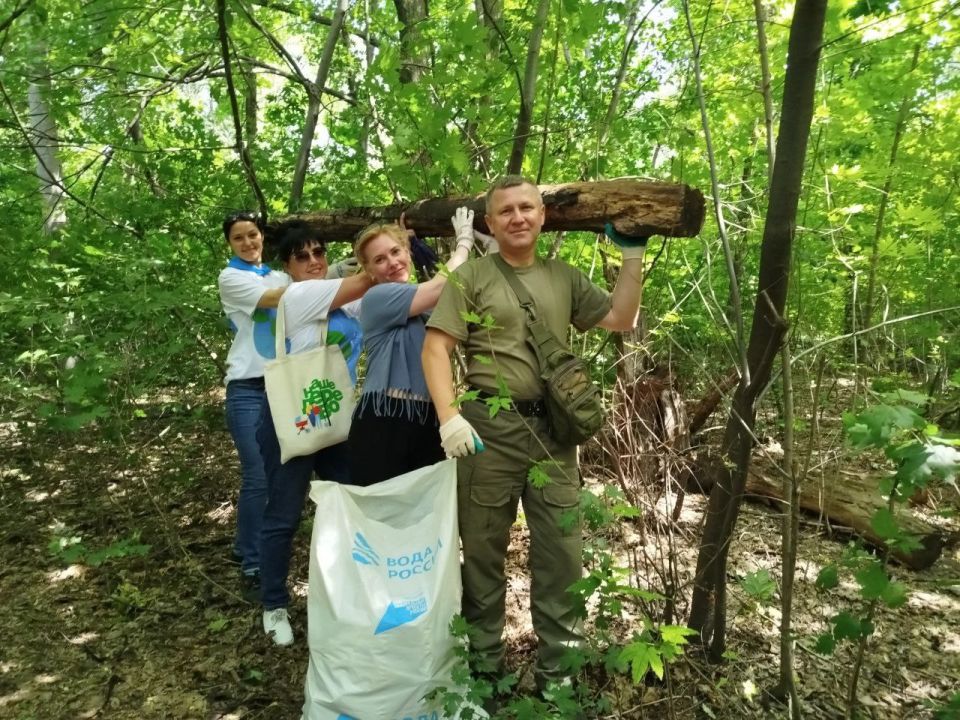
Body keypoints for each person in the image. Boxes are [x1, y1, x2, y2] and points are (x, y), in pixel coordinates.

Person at [421, 176, 649, 693]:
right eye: (506, 211)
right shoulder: (472, 277)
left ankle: (558, 683)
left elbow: (620, 316)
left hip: (553, 434)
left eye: (527, 208)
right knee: (482, 557)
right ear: (491, 222)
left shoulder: (563, 277)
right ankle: (484, 678)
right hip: (487, 435)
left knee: (562, 558)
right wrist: (450, 417)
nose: (518, 217)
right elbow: (436, 349)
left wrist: (631, 256)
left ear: (544, 217)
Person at [257, 221, 373, 645]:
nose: (314, 261)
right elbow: (371, 277)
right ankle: (274, 605)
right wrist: (393, 243)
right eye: (302, 256)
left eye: (319, 252)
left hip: (334, 420)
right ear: (287, 266)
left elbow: (395, 296)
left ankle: (351, 593)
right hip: (290, 418)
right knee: (284, 513)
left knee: (348, 503)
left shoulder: (344, 300)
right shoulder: (299, 295)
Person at [346, 209, 483, 486]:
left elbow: (464, 293)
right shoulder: (377, 298)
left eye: (396, 252)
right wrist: (464, 242)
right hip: (383, 420)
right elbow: (442, 285)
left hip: (429, 420)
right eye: (380, 260)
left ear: (407, 253)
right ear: (369, 271)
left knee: (423, 517)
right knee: (380, 514)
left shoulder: (423, 302)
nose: (392, 262)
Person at [218, 211, 290, 598]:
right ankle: (250, 555)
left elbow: (303, 287)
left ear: (263, 237)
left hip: (283, 384)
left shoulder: (278, 275)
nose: (248, 243)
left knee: (281, 470)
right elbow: (275, 300)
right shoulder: (231, 278)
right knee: (258, 473)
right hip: (247, 388)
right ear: (229, 244)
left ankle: (260, 545)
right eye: (238, 238)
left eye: (253, 235)